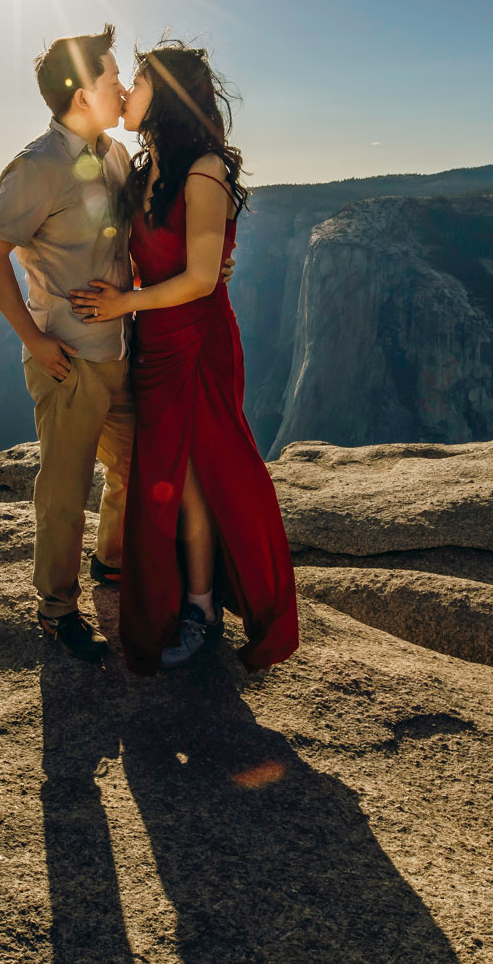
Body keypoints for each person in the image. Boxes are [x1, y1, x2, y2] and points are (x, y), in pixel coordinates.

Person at [69, 41, 298, 675]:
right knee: (163, 472)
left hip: (197, 341)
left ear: (164, 94)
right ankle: (184, 596)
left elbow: (200, 280)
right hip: (154, 344)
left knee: (199, 479)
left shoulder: (202, 171)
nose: (127, 95)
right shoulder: (145, 170)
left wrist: (123, 304)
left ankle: (199, 607)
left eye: (136, 83)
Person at [0, 26, 136, 664]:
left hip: (120, 351)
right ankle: (57, 609)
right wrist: (33, 339)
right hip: (66, 358)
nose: (122, 87)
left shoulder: (115, 156)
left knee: (134, 464)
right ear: (80, 93)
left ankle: (111, 563)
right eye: (112, 77)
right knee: (65, 492)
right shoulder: (37, 167)